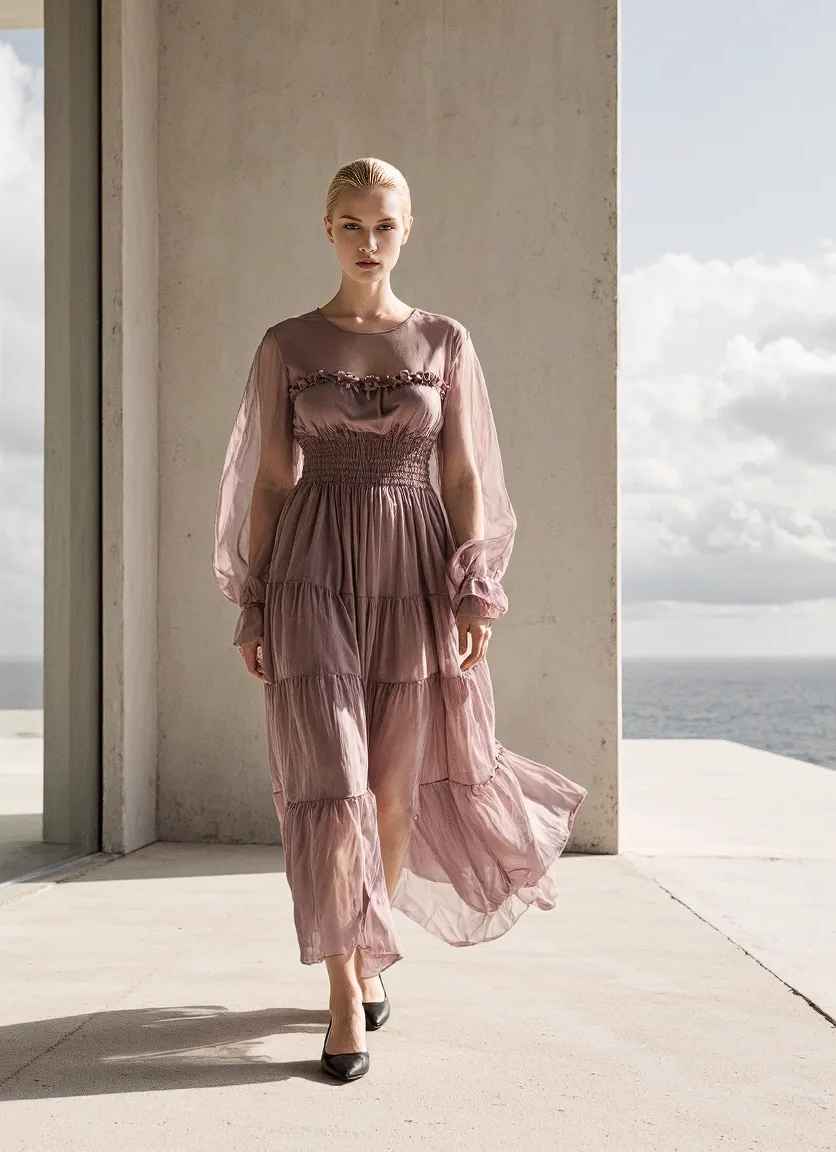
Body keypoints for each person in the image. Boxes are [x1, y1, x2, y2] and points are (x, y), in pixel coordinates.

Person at [213, 157, 588, 1082]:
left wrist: (474, 587)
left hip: (414, 569)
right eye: (350, 224)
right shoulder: (286, 344)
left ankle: (368, 943)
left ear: (407, 229)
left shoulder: (445, 341)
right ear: (327, 230)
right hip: (309, 571)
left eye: (383, 225)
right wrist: (254, 598)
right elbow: (267, 479)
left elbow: (463, 475)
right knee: (329, 780)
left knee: (388, 792)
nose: (368, 241)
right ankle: (343, 991)